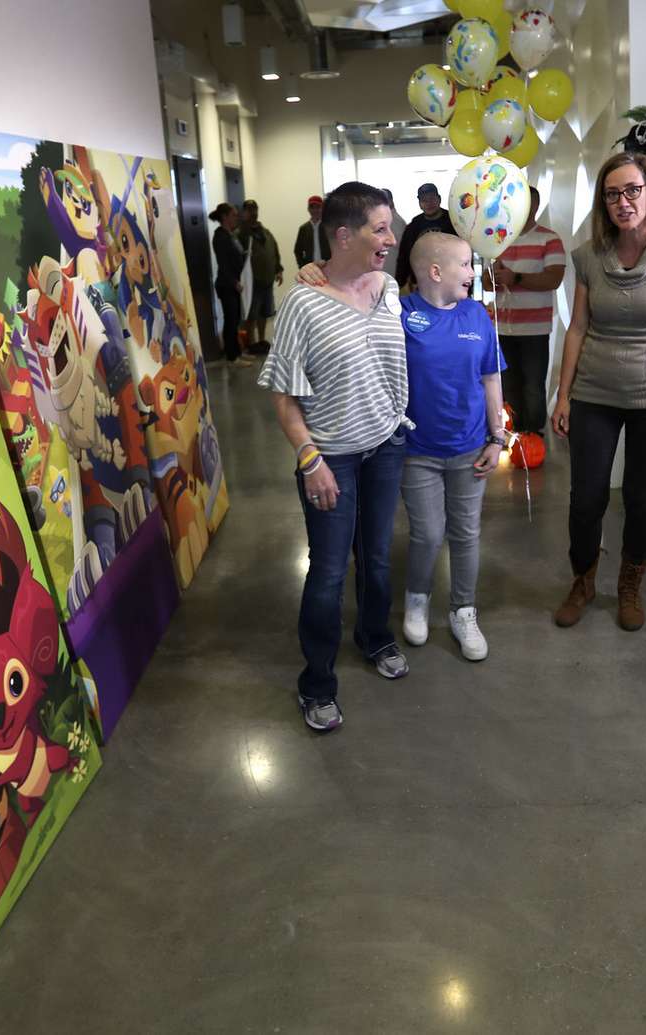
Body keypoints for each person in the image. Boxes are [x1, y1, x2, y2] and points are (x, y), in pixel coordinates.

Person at [257, 181, 408, 733]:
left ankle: (375, 637)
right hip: (332, 458)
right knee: (326, 573)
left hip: (387, 445)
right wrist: (310, 458)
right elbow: (282, 391)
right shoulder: (304, 301)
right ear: (344, 235)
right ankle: (316, 683)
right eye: (381, 228)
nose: (391, 238)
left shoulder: (388, 288)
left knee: (378, 557)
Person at [551, 152, 646, 631]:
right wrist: (563, 395)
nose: (623, 202)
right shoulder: (589, 255)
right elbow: (576, 328)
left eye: (632, 190)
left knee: (642, 499)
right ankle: (582, 581)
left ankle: (630, 585)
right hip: (594, 393)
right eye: (612, 193)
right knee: (586, 499)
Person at [397, 233, 506, 661]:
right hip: (416, 450)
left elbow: (491, 378)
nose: (472, 272)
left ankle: (463, 610)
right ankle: (418, 599)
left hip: (469, 447)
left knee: (466, 533)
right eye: (464, 264)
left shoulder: (477, 315)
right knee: (426, 534)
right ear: (435, 271)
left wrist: (497, 438)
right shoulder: (400, 313)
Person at [481, 186, 566, 434]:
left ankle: (534, 436)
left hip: (534, 327)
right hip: (503, 327)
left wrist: (515, 277)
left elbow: (553, 279)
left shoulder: (549, 239)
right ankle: (515, 435)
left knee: (533, 385)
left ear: (535, 206)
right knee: (509, 384)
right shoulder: (499, 238)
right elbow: (487, 283)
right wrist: (497, 277)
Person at [237, 199, 283, 352]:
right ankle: (251, 343)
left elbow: (274, 250)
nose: (253, 212)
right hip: (252, 281)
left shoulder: (265, 232)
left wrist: (278, 269)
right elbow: (237, 257)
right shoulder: (241, 233)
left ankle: (262, 340)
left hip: (267, 279)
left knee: (265, 312)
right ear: (244, 212)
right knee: (252, 313)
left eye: (254, 209)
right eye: (249, 210)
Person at [210, 202, 252, 367]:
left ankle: (238, 353)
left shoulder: (231, 234)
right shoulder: (220, 236)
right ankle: (232, 357)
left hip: (234, 283)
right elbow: (224, 263)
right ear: (225, 217)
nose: (237, 217)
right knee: (231, 320)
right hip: (226, 285)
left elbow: (236, 257)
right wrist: (234, 282)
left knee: (235, 320)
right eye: (234, 215)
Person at [394, 182, 456, 291]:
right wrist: (400, 281)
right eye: (424, 200)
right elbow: (404, 255)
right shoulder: (414, 226)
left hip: (450, 280)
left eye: (432, 199)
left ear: (439, 199)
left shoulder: (453, 222)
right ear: (419, 203)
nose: (429, 203)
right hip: (421, 282)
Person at [293, 195, 331, 268]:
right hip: (311, 271)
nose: (315, 210)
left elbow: (336, 248)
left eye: (318, 207)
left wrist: (330, 263)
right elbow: (297, 251)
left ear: (322, 209)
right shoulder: (303, 229)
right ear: (308, 209)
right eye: (312, 207)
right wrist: (303, 266)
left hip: (329, 268)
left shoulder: (329, 227)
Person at [382, 188, 407, 281]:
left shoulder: (398, 221)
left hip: (393, 271)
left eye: (385, 200)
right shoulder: (379, 220)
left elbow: (402, 249)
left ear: (391, 201)